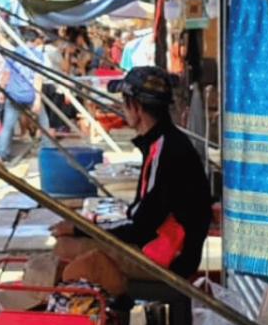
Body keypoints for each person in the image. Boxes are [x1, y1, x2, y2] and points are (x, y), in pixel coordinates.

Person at [52, 66, 212, 278]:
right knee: (79, 242)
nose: (122, 109)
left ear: (135, 107)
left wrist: (80, 228)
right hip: (167, 246)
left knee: (65, 247)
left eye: (124, 103)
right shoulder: (164, 142)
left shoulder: (166, 149)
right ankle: (117, 304)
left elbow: (140, 228)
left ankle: (113, 305)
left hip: (168, 256)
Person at [0, 30, 48, 162]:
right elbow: (38, 78)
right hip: (30, 95)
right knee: (44, 122)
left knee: (7, 126)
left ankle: (0, 154)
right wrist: (38, 99)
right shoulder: (38, 55)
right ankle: (46, 148)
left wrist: (1, 91)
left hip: (13, 95)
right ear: (35, 41)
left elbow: (5, 74)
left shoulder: (13, 54)